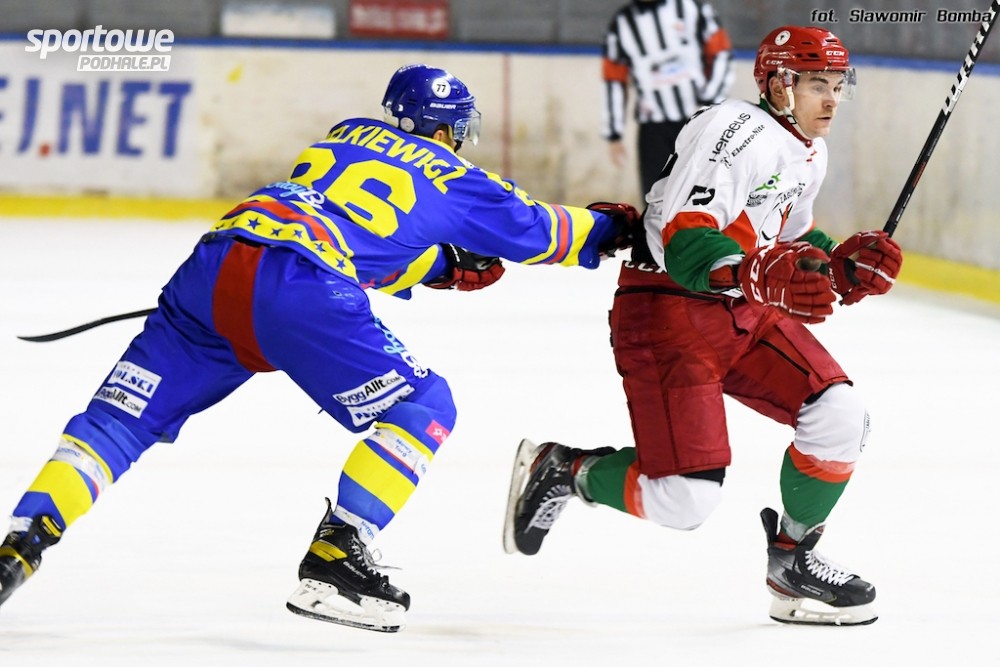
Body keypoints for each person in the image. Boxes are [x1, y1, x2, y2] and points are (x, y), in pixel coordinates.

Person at [0, 64, 637, 633]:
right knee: (423, 406)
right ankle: (339, 554)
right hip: (299, 285)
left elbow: (351, 230)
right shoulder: (455, 174)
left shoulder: (341, 136)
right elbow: (543, 231)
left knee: (116, 424)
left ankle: (21, 543)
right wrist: (617, 228)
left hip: (217, 263)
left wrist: (436, 265)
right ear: (446, 130)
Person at [505, 26, 904, 627]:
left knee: (839, 415)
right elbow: (686, 242)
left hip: (742, 308)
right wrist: (756, 274)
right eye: (817, 84)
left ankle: (792, 563)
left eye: (837, 85)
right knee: (683, 500)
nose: (831, 99)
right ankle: (564, 469)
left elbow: (787, 237)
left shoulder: (808, 149)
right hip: (667, 311)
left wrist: (837, 264)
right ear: (779, 84)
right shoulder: (735, 129)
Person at [601, 0, 734, 198]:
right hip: (653, 127)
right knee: (656, 198)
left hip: (698, 120)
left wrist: (711, 100)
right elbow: (614, 78)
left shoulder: (692, 9)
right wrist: (614, 133)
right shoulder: (622, 22)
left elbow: (720, 52)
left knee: (702, 194)